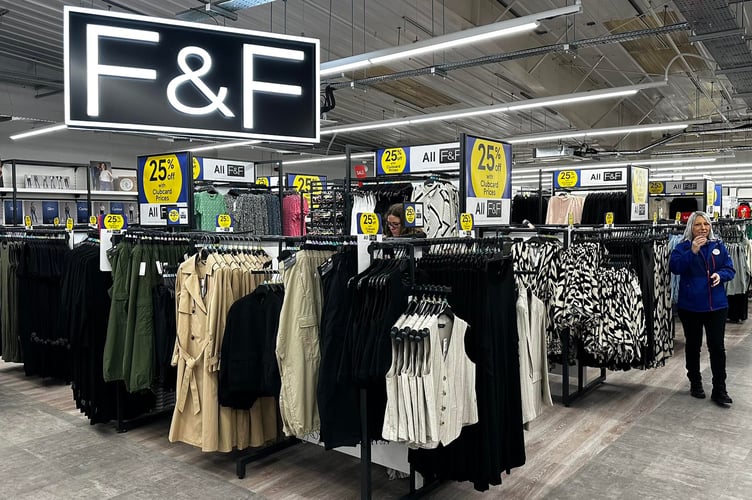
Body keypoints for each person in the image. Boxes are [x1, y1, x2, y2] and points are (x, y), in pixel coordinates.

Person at [669, 211, 735, 406]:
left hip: (717, 305)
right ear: (691, 227)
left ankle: (719, 389)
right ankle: (695, 382)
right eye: (698, 225)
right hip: (691, 306)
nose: (703, 228)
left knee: (717, 347)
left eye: (706, 224)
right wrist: (693, 251)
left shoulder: (718, 245)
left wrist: (720, 275)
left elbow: (730, 269)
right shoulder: (682, 247)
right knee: (693, 346)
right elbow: (675, 268)